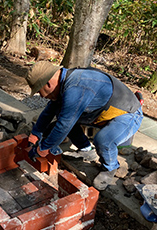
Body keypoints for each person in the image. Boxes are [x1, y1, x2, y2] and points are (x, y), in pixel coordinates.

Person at [25, 61, 144, 191]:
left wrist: (44, 148)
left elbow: (64, 125)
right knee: (62, 112)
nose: (42, 96)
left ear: (47, 84)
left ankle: (111, 167)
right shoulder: (64, 82)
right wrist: (36, 132)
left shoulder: (76, 87)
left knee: (103, 140)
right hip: (102, 113)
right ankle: (86, 150)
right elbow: (50, 110)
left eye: (40, 92)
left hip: (129, 115)